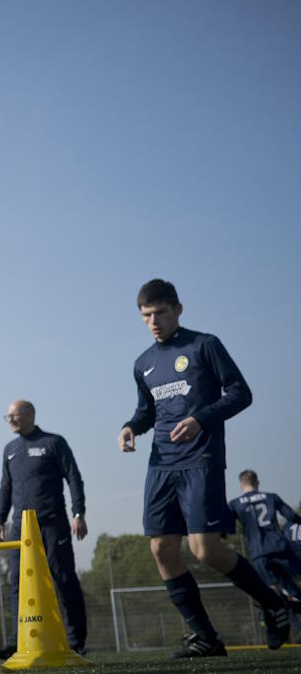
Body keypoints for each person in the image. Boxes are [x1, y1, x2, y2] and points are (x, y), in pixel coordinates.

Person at [118, 278, 290, 656]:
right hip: (161, 465)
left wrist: (201, 419)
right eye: (146, 316)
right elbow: (147, 412)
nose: (153, 322)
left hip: (201, 459)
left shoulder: (204, 345)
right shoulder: (142, 363)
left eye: (160, 313)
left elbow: (240, 393)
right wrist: (130, 427)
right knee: (161, 549)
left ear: (178, 310)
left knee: (204, 550)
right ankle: (205, 637)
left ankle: (273, 604)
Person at [0, 400, 88, 657]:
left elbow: (74, 477)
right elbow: (5, 488)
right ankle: (17, 640)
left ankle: (75, 641)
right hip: (19, 530)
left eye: (15, 415)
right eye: (8, 416)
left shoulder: (53, 442)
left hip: (52, 523)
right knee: (17, 583)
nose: (10, 420)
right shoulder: (10, 449)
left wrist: (78, 513)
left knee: (64, 579)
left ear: (30, 415)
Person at [228, 471, 301, 613]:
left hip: (258, 553)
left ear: (241, 485)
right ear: (257, 482)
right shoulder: (271, 497)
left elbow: (229, 528)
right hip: (279, 547)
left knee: (275, 592)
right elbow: (291, 516)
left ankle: (291, 621)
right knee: (298, 577)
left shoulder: (234, 504)